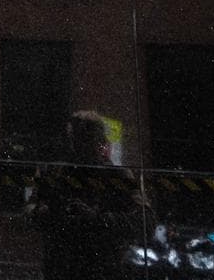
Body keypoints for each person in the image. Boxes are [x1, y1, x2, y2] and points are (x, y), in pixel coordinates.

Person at [24, 110, 149, 280]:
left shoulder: (116, 177)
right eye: (76, 139)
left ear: (99, 142)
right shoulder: (54, 173)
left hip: (100, 267)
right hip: (62, 267)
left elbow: (146, 222)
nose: (79, 146)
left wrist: (97, 219)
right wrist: (47, 213)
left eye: (86, 139)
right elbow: (29, 210)